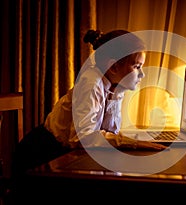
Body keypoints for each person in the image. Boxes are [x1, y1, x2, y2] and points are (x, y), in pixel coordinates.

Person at [12, 29, 167, 177]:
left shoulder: (114, 85)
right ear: (113, 67)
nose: (142, 74)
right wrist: (130, 142)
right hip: (42, 155)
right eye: (137, 66)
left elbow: (109, 130)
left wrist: (117, 94)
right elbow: (81, 138)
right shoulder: (91, 82)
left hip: (65, 154)